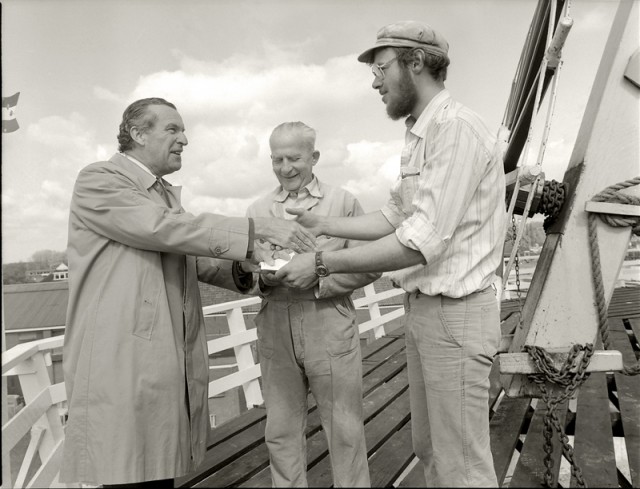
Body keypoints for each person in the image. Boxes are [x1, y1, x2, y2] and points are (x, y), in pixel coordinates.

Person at [276, 21, 506, 487]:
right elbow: (393, 215)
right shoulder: (421, 133)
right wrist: (321, 224)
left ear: (416, 63)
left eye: (381, 68)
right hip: (426, 313)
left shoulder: (455, 129)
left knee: (461, 462)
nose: (374, 81)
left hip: (457, 315)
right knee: (432, 451)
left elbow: (418, 240)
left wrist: (321, 263)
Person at [59, 98, 316, 488]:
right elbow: (163, 228)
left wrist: (251, 268)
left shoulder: (159, 194)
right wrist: (255, 230)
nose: (185, 139)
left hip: (155, 361)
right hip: (121, 360)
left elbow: (187, 253)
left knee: (153, 471)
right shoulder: (100, 179)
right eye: (172, 130)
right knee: (128, 471)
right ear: (137, 134)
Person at [246, 121, 380, 487]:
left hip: (328, 319)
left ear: (314, 157)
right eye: (276, 159)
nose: (285, 168)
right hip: (275, 322)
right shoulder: (256, 209)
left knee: (345, 427)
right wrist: (262, 278)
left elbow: (371, 264)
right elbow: (243, 270)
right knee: (281, 429)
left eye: (294, 158)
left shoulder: (343, 202)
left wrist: (320, 279)